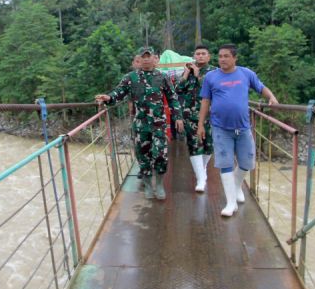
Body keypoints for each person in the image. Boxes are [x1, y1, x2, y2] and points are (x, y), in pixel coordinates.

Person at [198, 43, 279, 217]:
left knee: (246, 164)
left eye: (226, 56)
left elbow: (260, 87)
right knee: (225, 164)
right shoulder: (211, 77)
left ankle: (236, 186)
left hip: (243, 128)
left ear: (235, 58)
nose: (222, 59)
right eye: (220, 56)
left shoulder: (246, 73)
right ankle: (230, 202)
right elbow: (205, 101)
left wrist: (271, 97)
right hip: (220, 127)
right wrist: (200, 125)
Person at [95, 46, 184, 201]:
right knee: (143, 155)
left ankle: (160, 184)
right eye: (143, 56)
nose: (146, 59)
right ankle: (148, 184)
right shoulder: (130, 77)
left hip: (158, 123)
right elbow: (119, 92)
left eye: (149, 56)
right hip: (140, 123)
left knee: (160, 153)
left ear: (155, 58)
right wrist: (108, 98)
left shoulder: (162, 77)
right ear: (139, 59)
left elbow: (173, 98)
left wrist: (178, 116)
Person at [175, 44, 215, 192]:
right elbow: (178, 90)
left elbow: (210, 89)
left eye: (203, 53)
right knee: (194, 145)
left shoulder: (214, 72)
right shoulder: (189, 71)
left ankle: (202, 168)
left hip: (209, 115)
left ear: (208, 56)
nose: (200, 56)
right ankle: (200, 179)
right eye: (197, 54)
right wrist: (186, 74)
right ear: (194, 56)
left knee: (209, 146)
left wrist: (198, 75)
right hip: (190, 115)